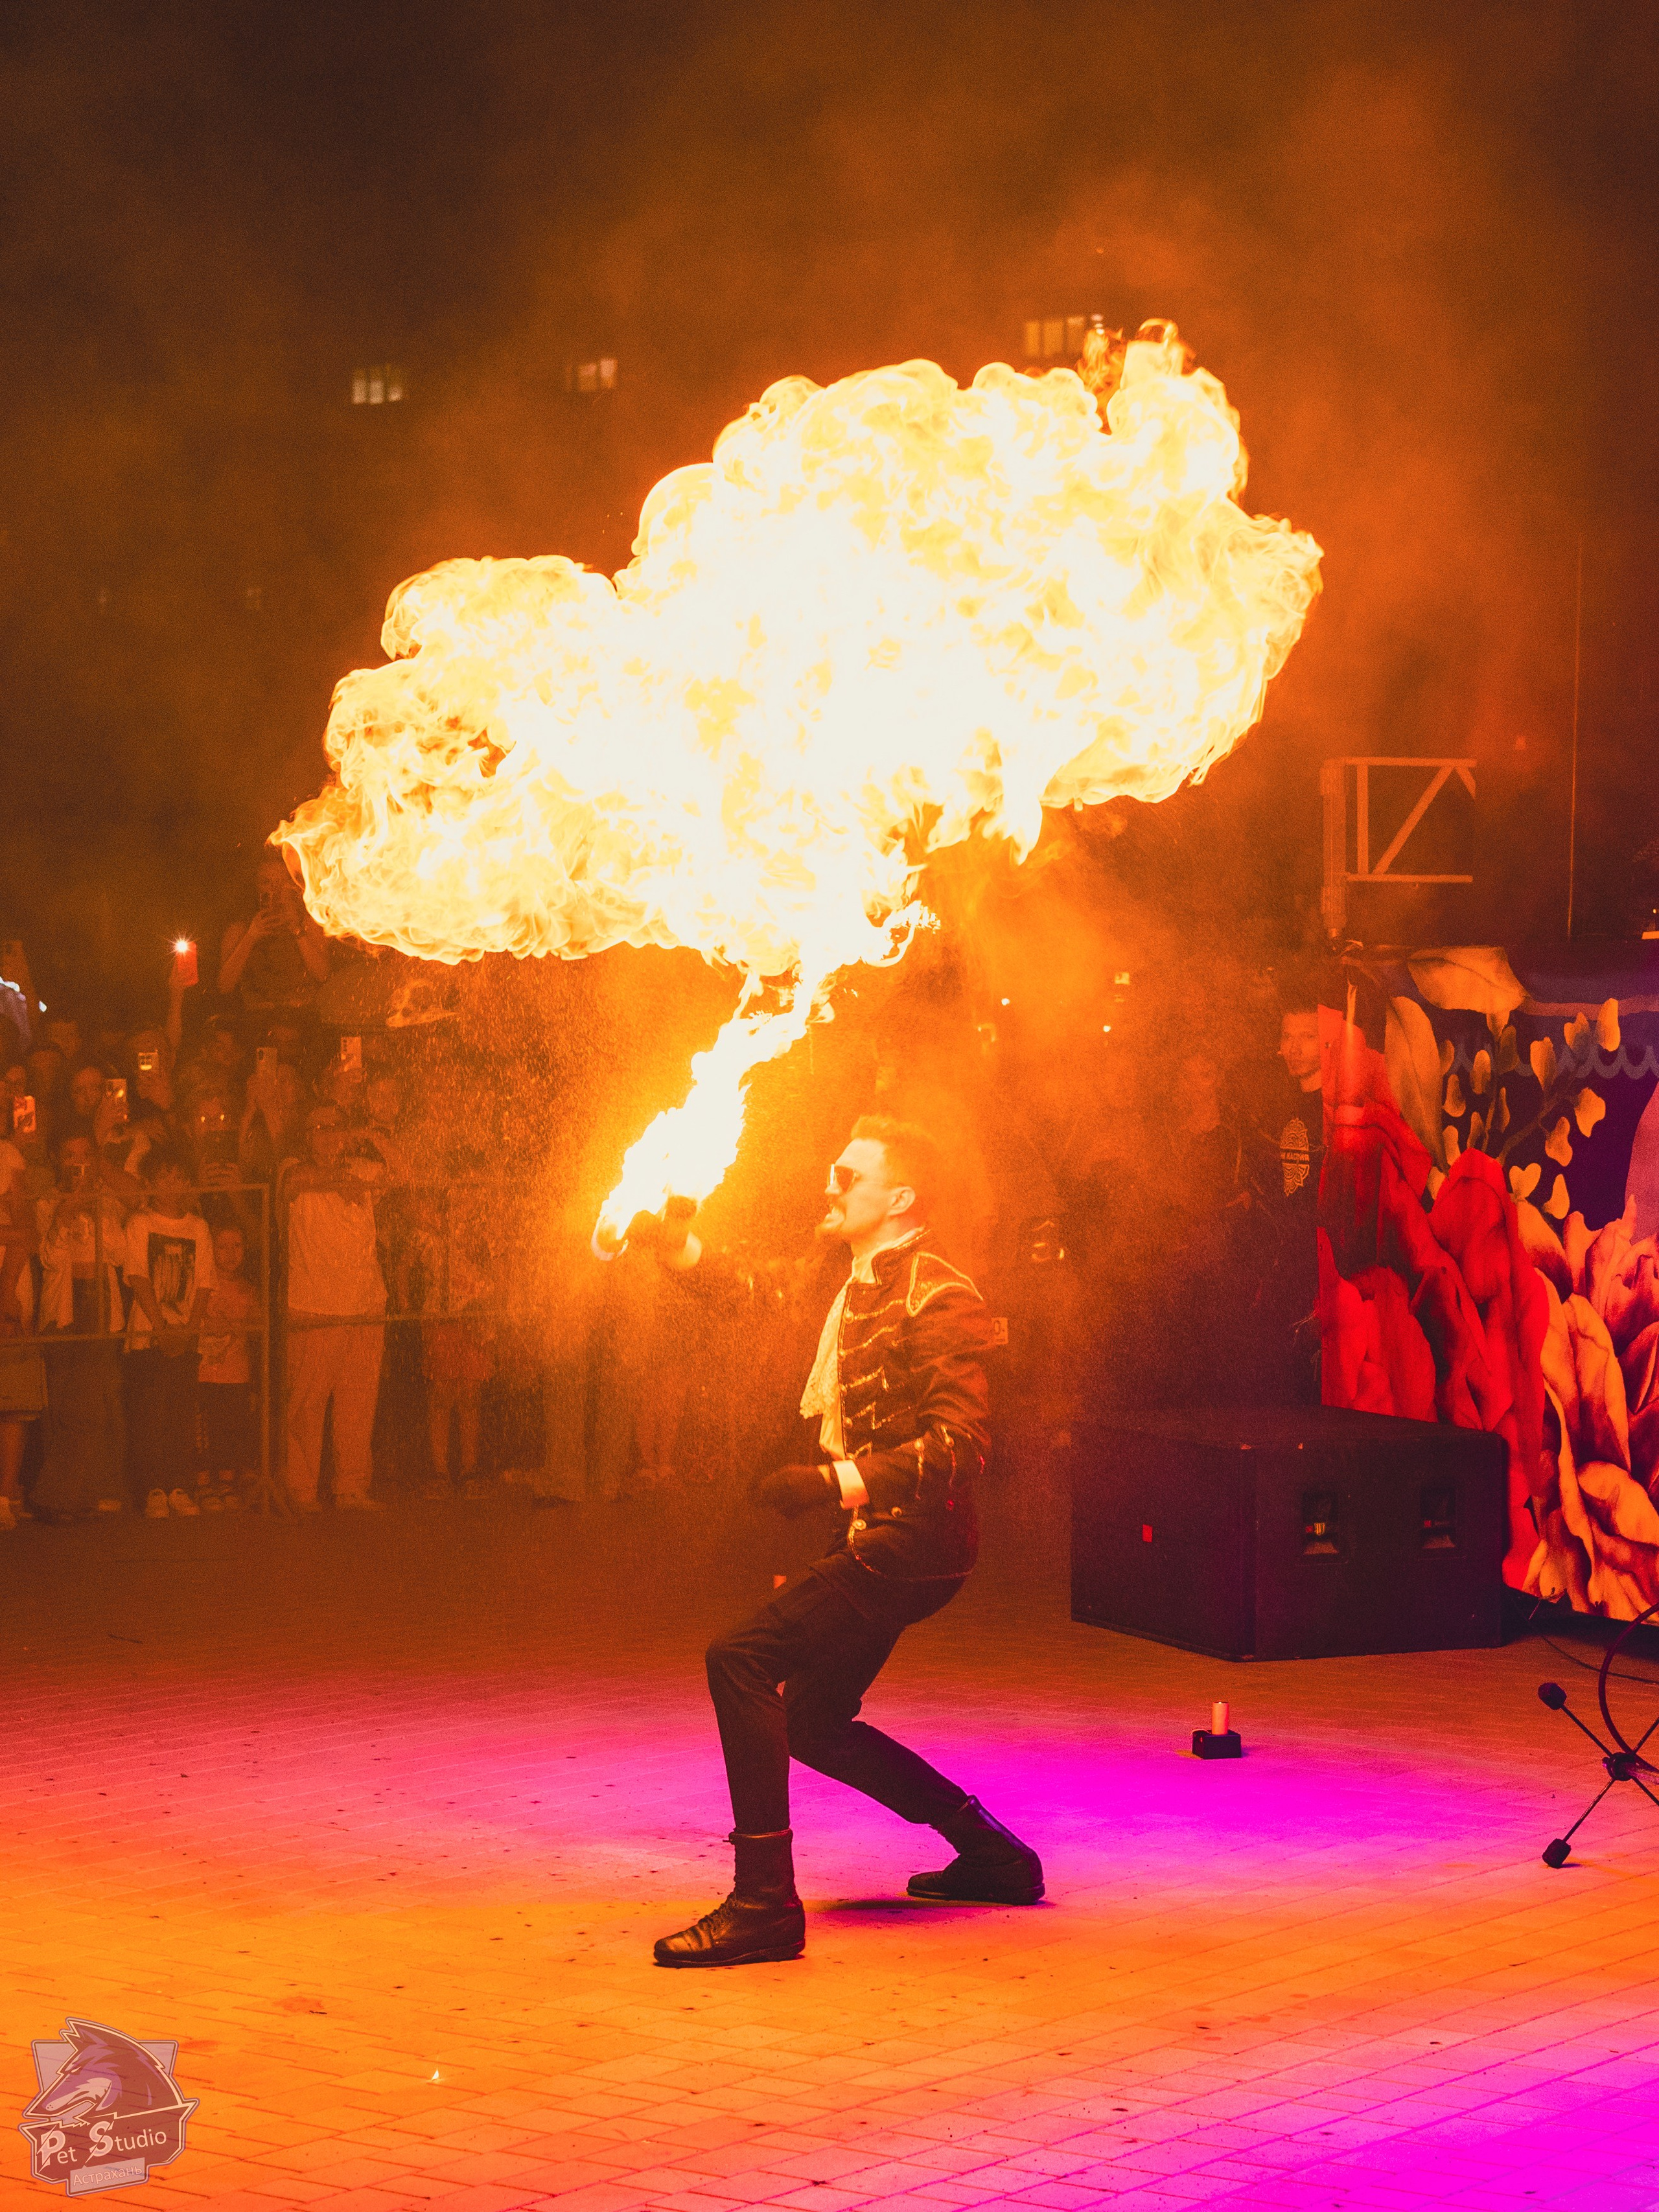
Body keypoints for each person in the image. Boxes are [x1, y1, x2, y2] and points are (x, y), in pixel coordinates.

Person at [636, 1115, 1043, 1970]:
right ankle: (997, 1856)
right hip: (877, 1531)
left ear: (900, 1198)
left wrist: (833, 1481)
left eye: (849, 1175)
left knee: (738, 1657)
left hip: (916, 1541)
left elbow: (960, 1446)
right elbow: (759, 1291)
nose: (831, 1184)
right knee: (813, 1721)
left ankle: (764, 1902)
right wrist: (678, 1248)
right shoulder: (849, 1272)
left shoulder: (939, 1294)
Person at [279, 1101, 386, 1511]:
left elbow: (405, 1175)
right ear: (305, 1136)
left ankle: (352, 1486)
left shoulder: (360, 1166)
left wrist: (372, 1137)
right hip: (315, 1303)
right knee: (306, 1403)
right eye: (318, 1127)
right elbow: (294, 1182)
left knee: (358, 1401)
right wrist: (338, 1178)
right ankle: (302, 1489)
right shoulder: (291, 1164)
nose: (327, 1134)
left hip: (366, 1300)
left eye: (335, 1127)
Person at [32, 1133, 129, 1519]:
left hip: (101, 1305)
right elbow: (50, 1260)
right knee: (64, 1404)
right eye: (71, 1156)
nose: (79, 1164)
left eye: (85, 1156)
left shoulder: (105, 1201)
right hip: (64, 1310)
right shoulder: (45, 1203)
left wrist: (100, 1211)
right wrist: (64, 1214)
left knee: (92, 1404)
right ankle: (57, 1496)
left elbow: (120, 1255)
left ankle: (71, 1494)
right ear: (59, 1160)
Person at [124, 1147, 216, 1518]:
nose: (172, 1186)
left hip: (185, 1335)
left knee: (181, 1414)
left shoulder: (199, 1227)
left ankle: (180, 1485)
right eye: (164, 1178)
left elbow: (204, 1283)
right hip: (149, 1334)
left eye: (179, 1178)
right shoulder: (140, 1223)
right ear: (151, 1183)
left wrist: (189, 1331)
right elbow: (138, 1276)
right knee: (149, 1415)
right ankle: (152, 1488)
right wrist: (161, 1329)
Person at [218, 851, 330, 1020]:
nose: (274, 890)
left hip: (302, 1019)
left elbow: (324, 976)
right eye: (266, 882)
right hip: (258, 1021)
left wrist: (296, 929)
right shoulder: (240, 929)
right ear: (256, 887)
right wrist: (251, 937)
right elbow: (224, 986)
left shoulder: (308, 924)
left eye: (281, 883)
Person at [0, 1124, 45, 1530]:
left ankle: (6, 1494)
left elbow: (27, 1230)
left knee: (13, 1398)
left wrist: (6, 1290)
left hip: (11, 1287)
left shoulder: (8, 1156)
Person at [196, 1223, 259, 1509]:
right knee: (203, 1427)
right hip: (205, 1370)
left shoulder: (249, 1290)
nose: (231, 1254)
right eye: (223, 1247)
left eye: (237, 1247)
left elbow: (258, 1325)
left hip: (236, 1372)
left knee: (230, 1426)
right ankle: (202, 1483)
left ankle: (225, 1480)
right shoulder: (202, 1285)